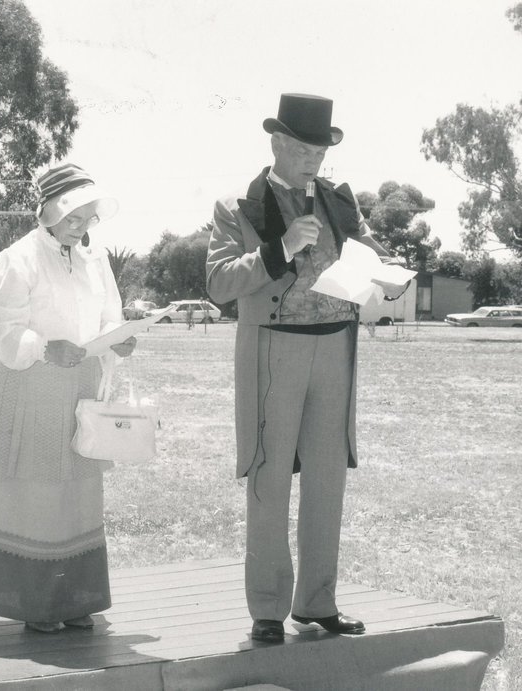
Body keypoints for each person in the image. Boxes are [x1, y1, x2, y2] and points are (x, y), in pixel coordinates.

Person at [206, 93, 406, 644]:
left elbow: (371, 256)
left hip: (335, 347)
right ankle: (268, 608)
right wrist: (280, 248)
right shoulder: (239, 205)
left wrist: (388, 278)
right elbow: (219, 283)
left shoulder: (341, 202)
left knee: (327, 480)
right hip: (274, 348)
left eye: (319, 149)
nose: (311, 158)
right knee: (268, 476)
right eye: (300, 147)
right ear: (276, 142)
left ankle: (317, 603)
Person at [0, 163, 136, 633]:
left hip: (83, 386)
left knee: (80, 493)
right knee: (38, 492)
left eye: (88, 218)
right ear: (46, 211)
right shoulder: (16, 259)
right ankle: (36, 603)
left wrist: (118, 338)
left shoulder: (95, 258)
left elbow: (108, 315)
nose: (81, 228)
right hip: (35, 386)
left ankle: (75, 599)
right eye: (73, 217)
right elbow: (5, 335)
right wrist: (45, 347)